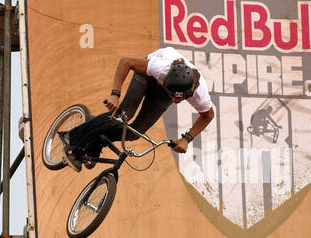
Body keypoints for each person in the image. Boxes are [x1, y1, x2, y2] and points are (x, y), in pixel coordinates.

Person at [59, 46, 215, 169]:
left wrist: (187, 139)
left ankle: (97, 140)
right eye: (173, 94)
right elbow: (126, 62)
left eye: (179, 98)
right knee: (123, 116)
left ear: (189, 93)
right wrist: (115, 94)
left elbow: (208, 116)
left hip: (162, 96)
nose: (175, 99)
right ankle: (71, 138)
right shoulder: (160, 68)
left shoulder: (199, 93)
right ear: (166, 81)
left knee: (135, 133)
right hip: (146, 78)